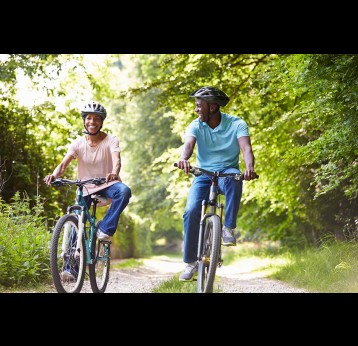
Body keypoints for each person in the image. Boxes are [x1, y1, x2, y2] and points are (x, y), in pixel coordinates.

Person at [175, 86, 256, 282]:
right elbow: (188, 145)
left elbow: (246, 149)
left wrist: (249, 167)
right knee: (191, 211)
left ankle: (228, 228)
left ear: (212, 107)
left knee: (234, 179)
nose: (196, 109)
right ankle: (190, 263)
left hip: (227, 171)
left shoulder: (237, 124)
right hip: (203, 174)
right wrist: (184, 159)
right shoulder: (195, 125)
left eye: (199, 105)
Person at [44, 101, 131, 281]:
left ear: (101, 122)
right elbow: (63, 165)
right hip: (85, 187)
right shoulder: (78, 143)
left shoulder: (111, 140)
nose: (92, 122)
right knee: (77, 220)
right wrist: (53, 175)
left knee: (124, 191)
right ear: (84, 121)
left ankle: (105, 229)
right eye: (89, 118)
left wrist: (114, 173)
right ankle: (70, 269)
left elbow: (117, 160)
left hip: (107, 183)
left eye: (96, 119)